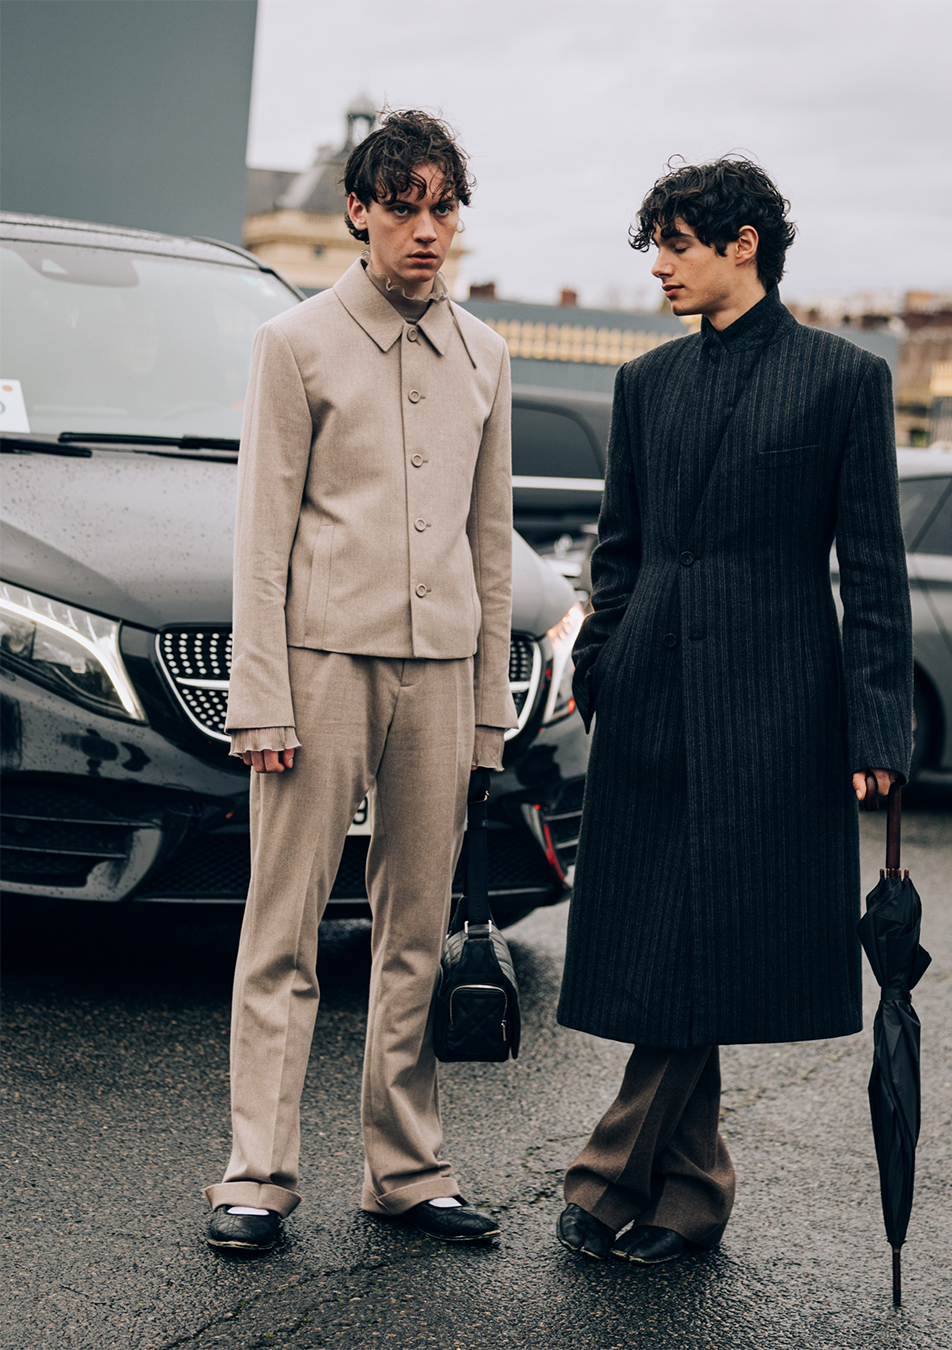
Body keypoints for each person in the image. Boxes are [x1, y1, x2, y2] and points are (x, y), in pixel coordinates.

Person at [555, 158, 912, 1265]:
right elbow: (618, 549)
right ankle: (694, 1190)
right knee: (670, 939)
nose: (658, 267)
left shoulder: (843, 378)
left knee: (715, 934)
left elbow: (876, 569)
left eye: (676, 244)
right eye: (655, 246)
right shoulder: (646, 382)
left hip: (773, 707)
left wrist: (878, 728)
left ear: (743, 243)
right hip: (652, 699)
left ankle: (611, 1171)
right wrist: (601, 661)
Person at [202, 110, 516, 1252]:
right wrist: (261, 698)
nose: (427, 229)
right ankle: (258, 1174)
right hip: (321, 667)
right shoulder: (294, 345)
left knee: (415, 933)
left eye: (444, 207)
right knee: (282, 924)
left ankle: (407, 1169)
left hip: (441, 680)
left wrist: (489, 715)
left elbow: (491, 545)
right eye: (406, 205)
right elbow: (260, 538)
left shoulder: (488, 354)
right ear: (361, 211)